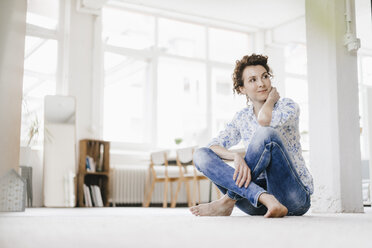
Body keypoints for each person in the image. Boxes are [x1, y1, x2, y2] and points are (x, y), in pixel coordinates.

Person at [190, 54, 313, 218]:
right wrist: (234, 156)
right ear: (242, 89)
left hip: (292, 196)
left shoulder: (287, 106)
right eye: (253, 80)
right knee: (200, 154)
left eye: (265, 77)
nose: (261, 83)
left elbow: (264, 122)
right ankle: (265, 198)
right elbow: (213, 145)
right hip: (254, 201)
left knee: (265, 134)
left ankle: (227, 201)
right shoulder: (242, 117)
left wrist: (270, 101)